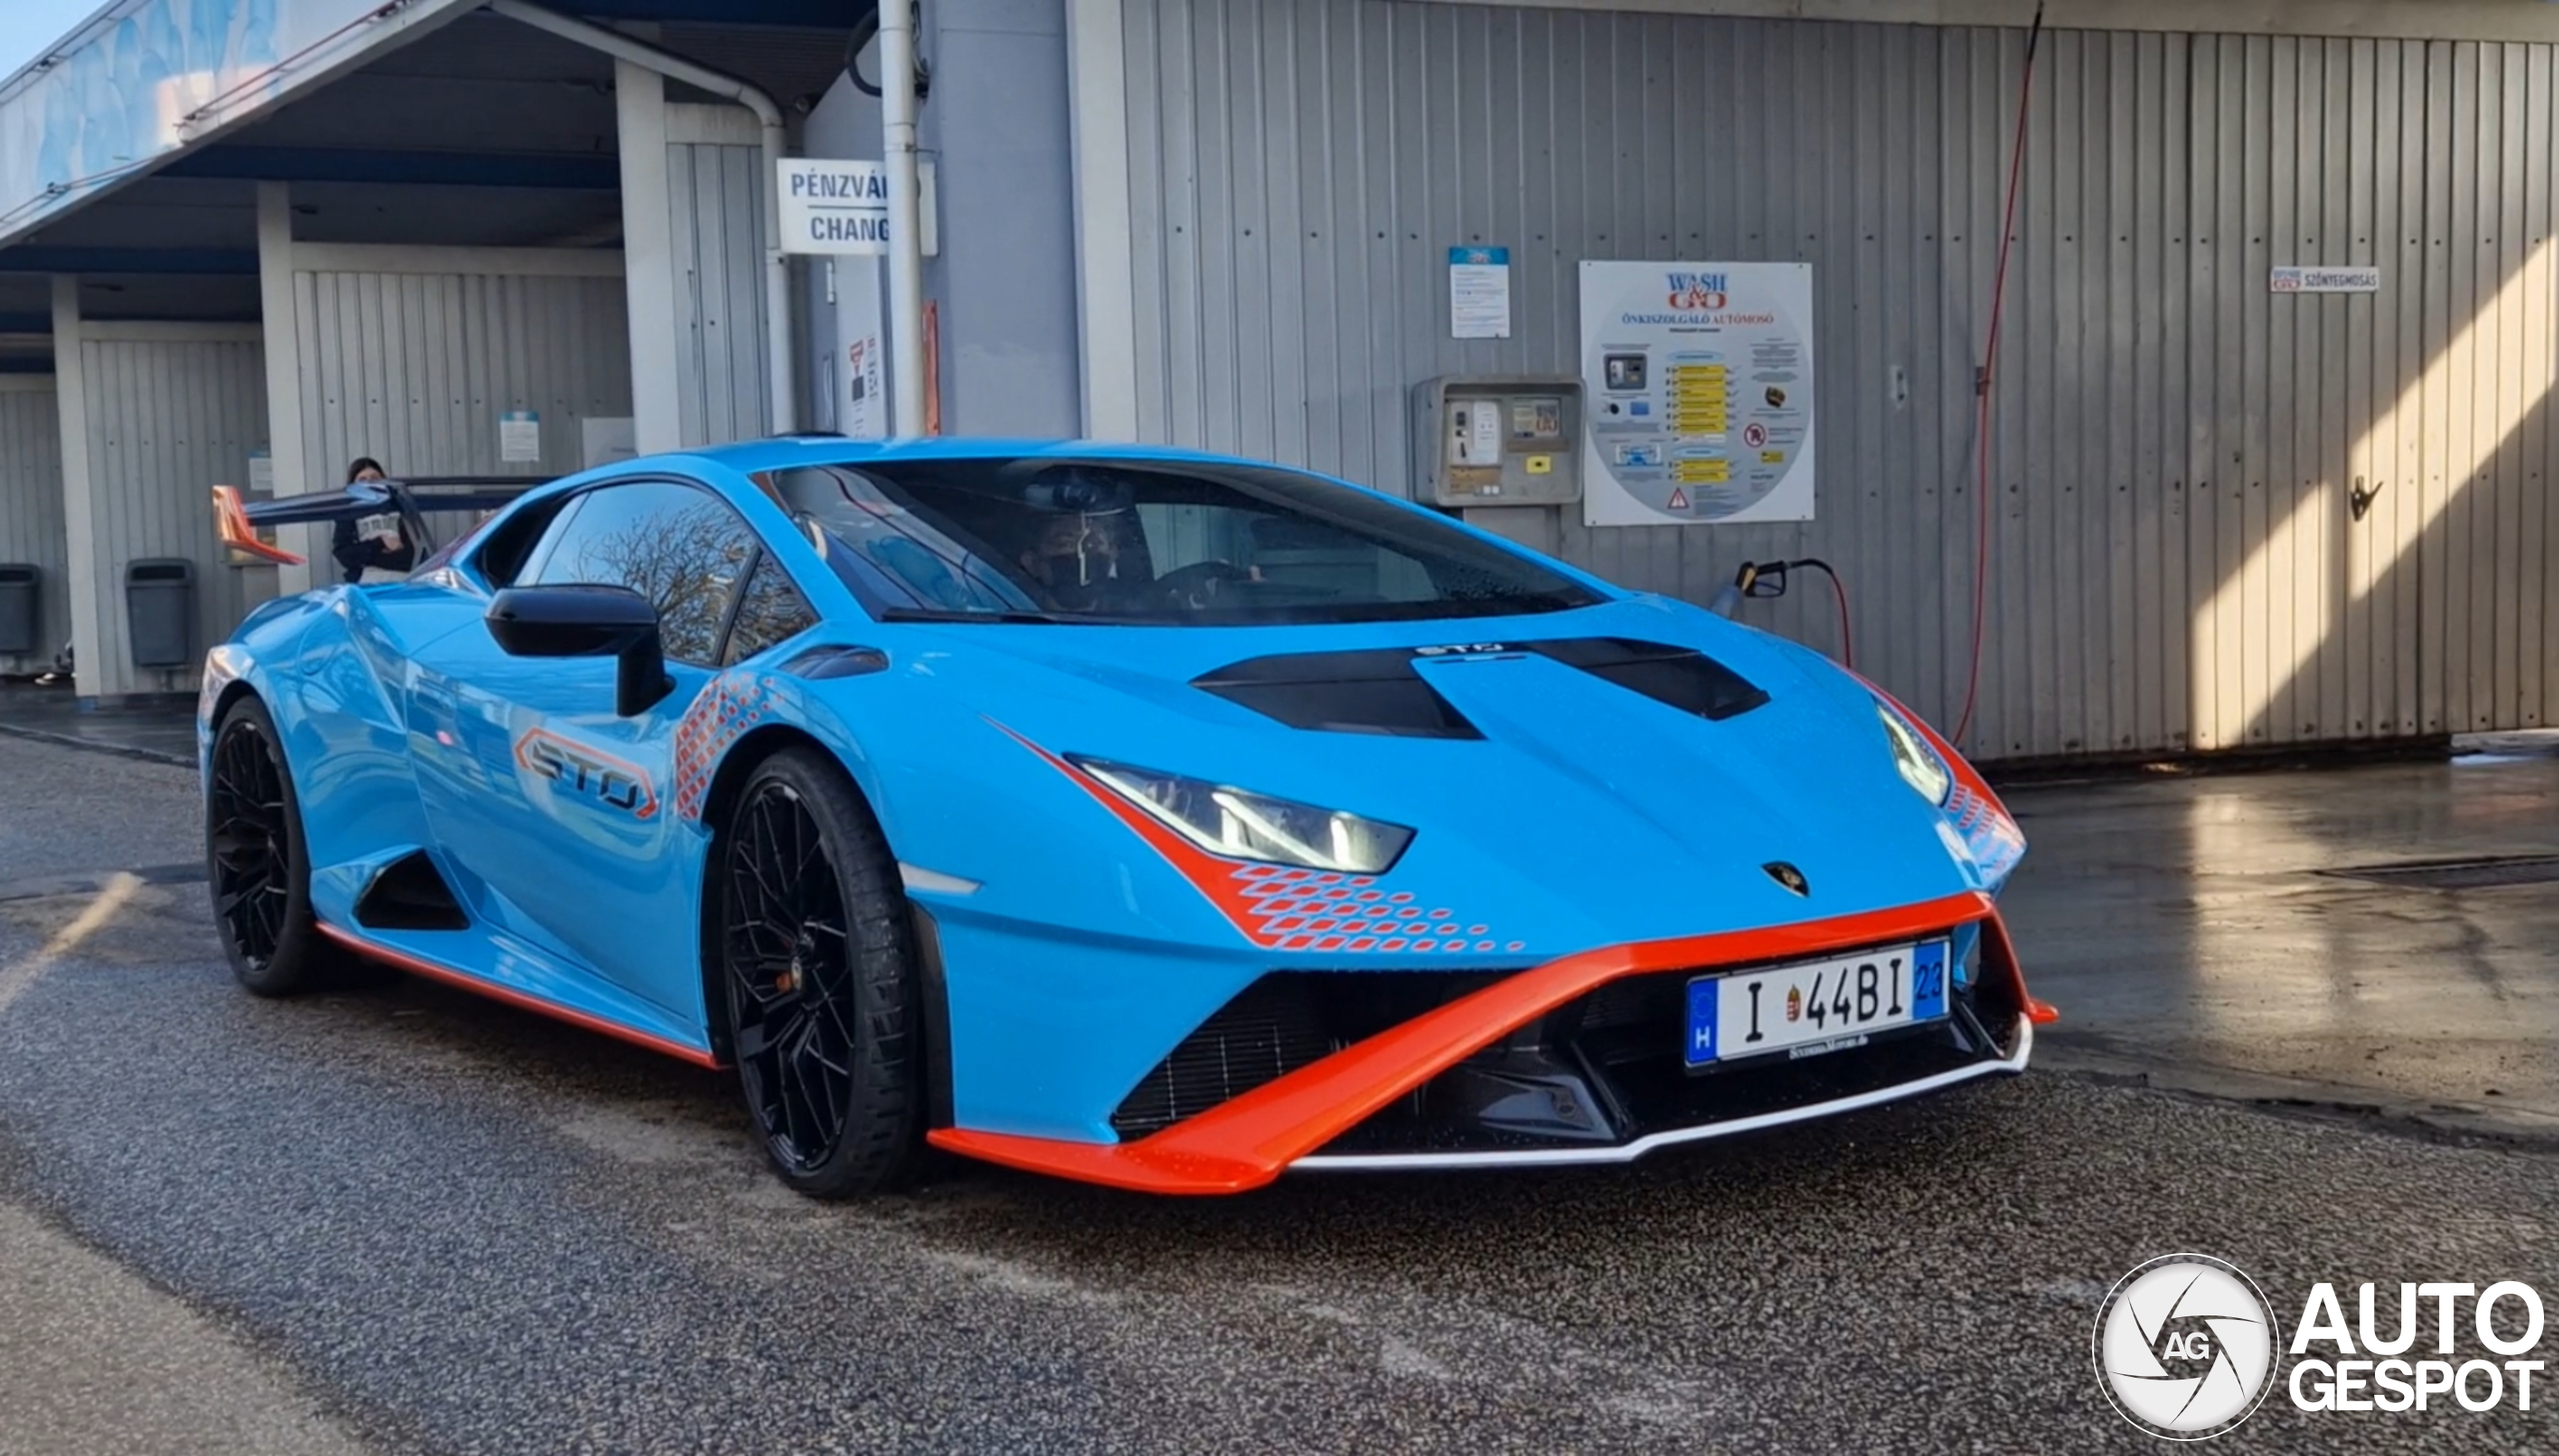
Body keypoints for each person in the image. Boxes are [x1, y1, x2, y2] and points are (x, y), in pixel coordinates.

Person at [331, 457, 417, 585]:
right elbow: (344, 555)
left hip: (402, 578)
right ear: (353, 485)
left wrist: (369, 555)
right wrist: (381, 543)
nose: (369, 482)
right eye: (362, 479)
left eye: (375, 477)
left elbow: (414, 553)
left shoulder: (400, 507)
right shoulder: (348, 513)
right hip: (365, 581)